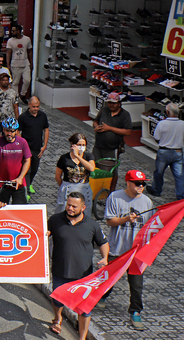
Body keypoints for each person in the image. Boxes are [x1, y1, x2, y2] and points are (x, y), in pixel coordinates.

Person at [48, 192, 109, 339]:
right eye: (68, 205)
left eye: (74, 206)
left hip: (84, 275)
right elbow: (44, 235)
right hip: (59, 270)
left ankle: (82, 337)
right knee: (57, 299)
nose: (70, 208)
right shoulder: (55, 220)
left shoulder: (92, 225)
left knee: (84, 309)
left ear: (83, 207)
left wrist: (105, 258)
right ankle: (57, 319)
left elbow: (103, 243)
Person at [101, 170, 154, 329]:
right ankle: (102, 296)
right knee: (108, 279)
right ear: (128, 183)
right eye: (138, 183)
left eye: (143, 183)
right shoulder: (115, 197)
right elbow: (110, 221)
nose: (141, 186)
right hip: (117, 249)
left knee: (137, 286)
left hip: (137, 254)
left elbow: (149, 226)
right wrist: (125, 219)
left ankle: (135, 311)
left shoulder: (147, 202)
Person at [92, 92, 132, 187]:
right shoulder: (104, 110)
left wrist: (109, 128)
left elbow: (127, 132)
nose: (111, 105)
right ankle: (97, 188)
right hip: (98, 146)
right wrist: (96, 126)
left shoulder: (125, 115)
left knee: (111, 171)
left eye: (113, 103)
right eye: (109, 103)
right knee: (95, 167)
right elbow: (95, 121)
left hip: (112, 148)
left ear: (119, 103)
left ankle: (110, 190)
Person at [147, 102, 184, 200]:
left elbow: (156, 137)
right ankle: (181, 195)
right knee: (179, 175)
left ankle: (156, 190)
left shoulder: (162, 123)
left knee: (159, 172)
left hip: (164, 151)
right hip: (178, 151)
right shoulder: (182, 124)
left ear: (167, 112)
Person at [54, 133, 96, 212]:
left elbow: (91, 168)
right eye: (79, 144)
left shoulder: (88, 156)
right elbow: (57, 176)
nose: (82, 147)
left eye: (84, 145)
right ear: (73, 145)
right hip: (68, 189)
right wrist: (63, 186)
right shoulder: (64, 158)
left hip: (84, 189)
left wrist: (78, 156)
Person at [18, 97, 50, 194]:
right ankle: (26, 189)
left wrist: (44, 146)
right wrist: (22, 145)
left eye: (37, 107)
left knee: (35, 168)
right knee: (27, 169)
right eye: (34, 107)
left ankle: (29, 184)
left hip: (37, 147)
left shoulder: (42, 116)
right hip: (26, 148)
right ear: (29, 105)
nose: (35, 109)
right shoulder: (23, 117)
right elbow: (18, 132)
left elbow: (46, 129)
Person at [5, 25, 32, 102]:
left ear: (19, 31)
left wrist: (31, 62)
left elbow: (30, 51)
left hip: (25, 62)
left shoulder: (27, 39)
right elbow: (8, 53)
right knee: (15, 82)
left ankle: (22, 94)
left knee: (27, 80)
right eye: (12, 31)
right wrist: (8, 65)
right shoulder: (10, 41)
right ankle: (15, 98)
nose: (12, 32)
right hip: (15, 63)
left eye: (14, 31)